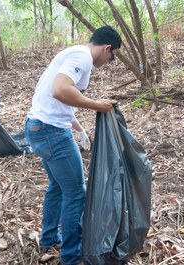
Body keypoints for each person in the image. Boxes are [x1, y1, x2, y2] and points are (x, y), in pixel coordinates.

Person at [24, 25, 122, 265]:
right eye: (112, 56)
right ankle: (72, 256)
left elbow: (58, 97)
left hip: (37, 126)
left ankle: (49, 239)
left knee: (57, 186)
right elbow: (60, 90)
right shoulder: (83, 57)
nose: (110, 61)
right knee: (76, 193)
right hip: (51, 132)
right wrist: (96, 104)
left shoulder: (74, 53)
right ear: (107, 48)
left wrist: (78, 128)